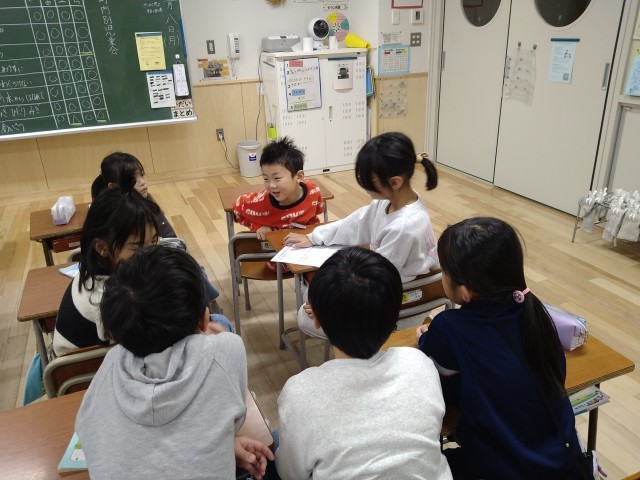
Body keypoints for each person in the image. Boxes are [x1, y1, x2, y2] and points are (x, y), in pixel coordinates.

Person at [76, 246, 274, 479]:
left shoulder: (111, 363)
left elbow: (88, 430)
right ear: (204, 319)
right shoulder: (226, 349)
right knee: (274, 443)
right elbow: (233, 423)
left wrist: (221, 446)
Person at [416, 217, 582, 479]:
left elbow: (445, 397)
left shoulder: (449, 327)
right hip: (562, 462)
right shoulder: (535, 312)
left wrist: (426, 340)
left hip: (503, 467)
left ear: (465, 291)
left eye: (444, 270)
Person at [275, 247, 452, 480]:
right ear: (396, 313)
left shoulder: (299, 391)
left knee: (276, 440)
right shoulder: (420, 363)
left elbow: (290, 474)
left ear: (315, 318)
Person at [284, 131, 439, 336]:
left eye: (368, 180)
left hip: (401, 305)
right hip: (389, 286)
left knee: (306, 318)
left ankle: (368, 346)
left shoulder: (405, 226)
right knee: (311, 294)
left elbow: (378, 280)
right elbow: (355, 223)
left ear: (395, 182)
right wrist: (313, 238)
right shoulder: (393, 200)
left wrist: (330, 305)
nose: (364, 186)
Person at [91, 151, 226, 318]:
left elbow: (169, 234)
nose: (142, 182)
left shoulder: (147, 201)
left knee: (190, 267)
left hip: (155, 258)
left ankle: (206, 307)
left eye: (142, 175)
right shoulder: (110, 213)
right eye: (133, 179)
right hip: (141, 273)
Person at [52, 188, 160, 356]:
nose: (152, 254)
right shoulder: (106, 300)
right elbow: (133, 354)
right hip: (84, 369)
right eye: (137, 247)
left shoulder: (100, 270)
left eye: (154, 241)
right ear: (102, 247)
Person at [233, 136, 325, 241]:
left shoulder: (313, 192)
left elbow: (318, 212)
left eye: (277, 178)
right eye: (266, 179)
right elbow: (237, 210)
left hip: (307, 243)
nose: (271, 185)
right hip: (276, 245)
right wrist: (257, 226)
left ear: (299, 176)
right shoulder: (260, 202)